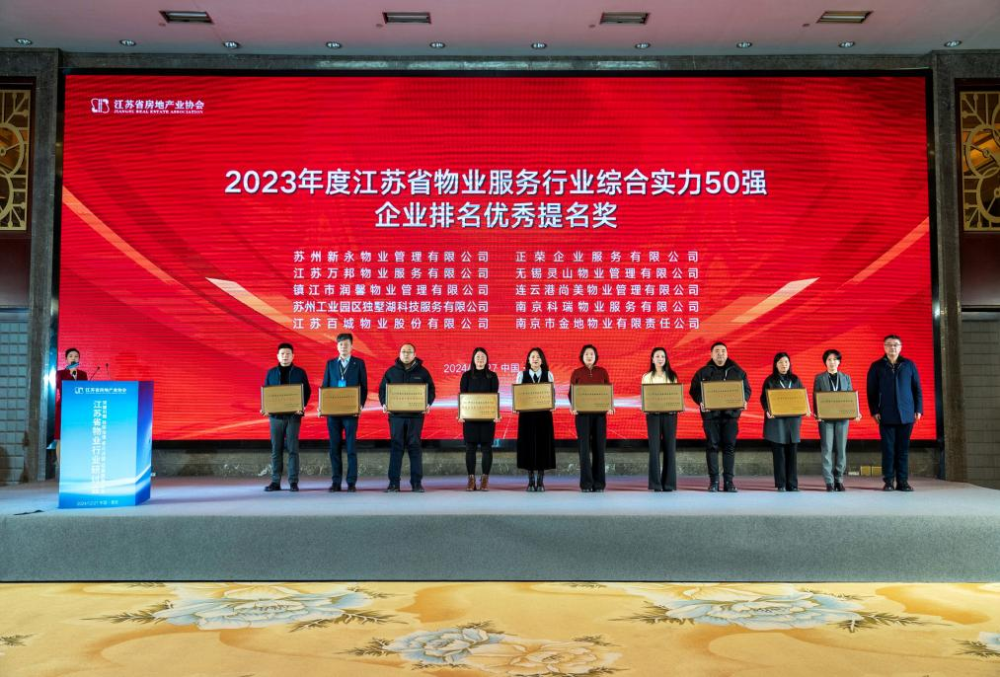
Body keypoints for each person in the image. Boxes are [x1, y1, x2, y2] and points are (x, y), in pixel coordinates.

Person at [689, 341, 751, 493]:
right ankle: (714, 482)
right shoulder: (703, 372)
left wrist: (744, 399)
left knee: (729, 448)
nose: (720, 354)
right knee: (712, 447)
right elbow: (694, 390)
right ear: (711, 354)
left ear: (727, 353)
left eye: (723, 351)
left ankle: (729, 482)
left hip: (731, 417)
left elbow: (747, 389)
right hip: (711, 416)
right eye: (717, 351)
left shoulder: (738, 371)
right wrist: (701, 400)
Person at [866, 334, 923, 492]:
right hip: (886, 414)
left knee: (903, 450)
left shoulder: (909, 365)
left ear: (901, 347)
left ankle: (903, 482)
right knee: (889, 450)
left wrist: (918, 409)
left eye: (896, 345)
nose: (893, 347)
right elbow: (871, 392)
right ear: (884, 347)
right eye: (889, 345)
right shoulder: (877, 366)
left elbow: (917, 389)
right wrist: (874, 411)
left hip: (907, 414)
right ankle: (889, 481)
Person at [379, 343, 436, 493]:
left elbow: (431, 390)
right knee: (396, 448)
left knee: (415, 447)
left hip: (415, 417)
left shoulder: (423, 372)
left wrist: (428, 403)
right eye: (403, 351)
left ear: (414, 354)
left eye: (409, 352)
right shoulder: (391, 372)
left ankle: (416, 483)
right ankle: (393, 484)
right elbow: (382, 390)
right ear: (399, 354)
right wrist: (384, 403)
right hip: (396, 417)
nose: (406, 354)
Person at [320, 333, 368, 492]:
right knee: (334, 448)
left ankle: (351, 482)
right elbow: (325, 386)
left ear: (352, 346)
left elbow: (364, 387)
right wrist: (323, 406)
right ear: (337, 346)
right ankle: (336, 482)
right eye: (341, 344)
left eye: (346, 344)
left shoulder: (358, 363)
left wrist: (360, 405)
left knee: (351, 448)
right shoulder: (330, 364)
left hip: (351, 413)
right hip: (333, 413)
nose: (343, 347)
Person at [263, 343, 311, 492]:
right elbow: (267, 393)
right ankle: (275, 481)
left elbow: (307, 391)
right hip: (275, 417)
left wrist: (301, 405)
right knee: (276, 449)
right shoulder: (271, 373)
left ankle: (293, 482)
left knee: (293, 450)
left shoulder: (300, 372)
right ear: (278, 356)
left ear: (293, 356)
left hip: (293, 417)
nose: (285, 356)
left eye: (288, 354)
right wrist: (266, 408)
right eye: (282, 354)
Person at [813, 349, 862, 492]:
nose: (832, 362)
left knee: (841, 449)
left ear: (839, 362)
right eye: (829, 359)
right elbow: (816, 397)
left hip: (842, 419)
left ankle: (839, 480)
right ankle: (829, 481)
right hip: (826, 419)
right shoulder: (819, 378)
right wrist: (817, 413)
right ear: (825, 362)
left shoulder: (846, 378)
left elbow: (851, 398)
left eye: (835, 359)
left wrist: (855, 412)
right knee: (827, 449)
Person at [761, 352, 807, 492]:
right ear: (776, 364)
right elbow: (764, 398)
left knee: (792, 454)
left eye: (786, 362)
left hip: (792, 422)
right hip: (777, 422)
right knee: (779, 454)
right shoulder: (770, 380)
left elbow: (802, 396)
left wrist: (805, 408)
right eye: (781, 362)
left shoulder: (795, 379)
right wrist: (767, 410)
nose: (784, 364)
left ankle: (792, 484)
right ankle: (781, 484)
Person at [570, 344, 611, 492]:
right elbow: (571, 393)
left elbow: (608, 391)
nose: (589, 356)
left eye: (592, 354)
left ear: (596, 356)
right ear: (582, 356)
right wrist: (574, 406)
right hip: (582, 416)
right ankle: (586, 484)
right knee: (584, 450)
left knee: (599, 448)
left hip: (600, 416)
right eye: (586, 354)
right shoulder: (577, 372)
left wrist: (610, 406)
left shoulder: (602, 372)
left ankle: (599, 484)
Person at [459, 347, 500, 491]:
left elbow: (494, 397)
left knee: (487, 448)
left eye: (483, 357)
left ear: (487, 359)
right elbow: (463, 396)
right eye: (478, 357)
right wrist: (461, 413)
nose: (480, 359)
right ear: (473, 359)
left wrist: (496, 413)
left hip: (487, 418)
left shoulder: (492, 376)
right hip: (470, 418)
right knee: (470, 448)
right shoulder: (466, 376)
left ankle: (484, 479)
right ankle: (471, 479)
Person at [515, 347, 556, 492]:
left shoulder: (548, 375)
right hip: (526, 417)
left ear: (542, 360)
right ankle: (530, 480)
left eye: (538, 357)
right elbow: (517, 396)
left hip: (544, 417)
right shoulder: (521, 375)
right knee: (528, 446)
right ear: (528, 360)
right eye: (533, 357)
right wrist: (516, 406)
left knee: (542, 446)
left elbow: (553, 395)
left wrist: (552, 404)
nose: (535, 359)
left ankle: (541, 480)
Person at [642, 347, 679, 492]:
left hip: (670, 415)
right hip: (653, 416)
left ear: (666, 359)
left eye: (662, 356)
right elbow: (645, 396)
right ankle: (655, 484)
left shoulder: (672, 376)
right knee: (654, 448)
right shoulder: (647, 376)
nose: (660, 359)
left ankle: (669, 484)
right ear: (652, 359)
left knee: (670, 448)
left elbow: (676, 396)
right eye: (657, 356)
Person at [54, 348, 89, 467]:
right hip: (63, 408)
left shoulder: (83, 374)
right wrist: (71, 373)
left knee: (76, 436)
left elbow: (84, 390)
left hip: (77, 409)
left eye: (76, 356)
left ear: (79, 359)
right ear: (66, 359)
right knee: (61, 438)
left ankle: (75, 465)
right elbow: (61, 386)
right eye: (71, 356)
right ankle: (61, 466)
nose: (73, 358)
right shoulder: (60, 373)